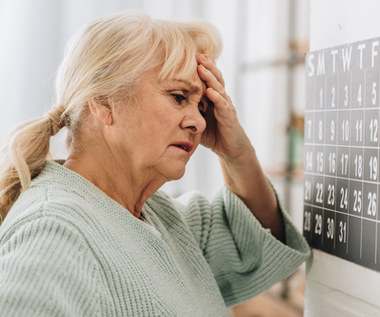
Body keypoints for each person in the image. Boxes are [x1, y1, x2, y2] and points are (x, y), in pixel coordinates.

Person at [0, 11, 310, 316]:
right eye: (178, 97)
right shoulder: (54, 233)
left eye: (201, 106)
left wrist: (237, 154)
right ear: (104, 102)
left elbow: (253, 240)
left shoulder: (161, 217)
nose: (199, 123)